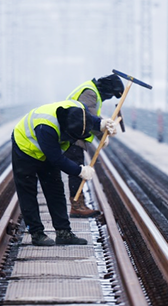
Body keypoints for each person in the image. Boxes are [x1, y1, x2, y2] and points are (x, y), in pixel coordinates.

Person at [12, 100, 117, 246]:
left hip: (49, 147)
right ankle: (36, 233)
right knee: (27, 191)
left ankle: (63, 233)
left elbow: (88, 119)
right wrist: (79, 170)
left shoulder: (80, 110)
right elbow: (56, 159)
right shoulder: (46, 128)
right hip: (25, 149)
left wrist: (101, 124)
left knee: (55, 190)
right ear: (65, 129)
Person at [65, 74, 126, 217]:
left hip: (73, 134)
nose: (108, 98)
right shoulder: (90, 93)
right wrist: (101, 132)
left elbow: (90, 118)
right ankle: (76, 206)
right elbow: (87, 118)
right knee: (77, 171)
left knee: (77, 170)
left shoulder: (92, 91)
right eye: (110, 95)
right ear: (107, 89)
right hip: (72, 135)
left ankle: (79, 203)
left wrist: (102, 133)